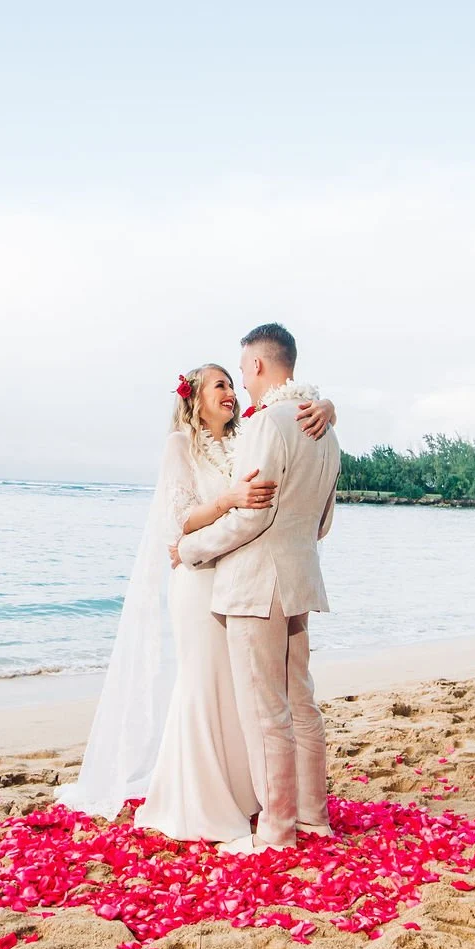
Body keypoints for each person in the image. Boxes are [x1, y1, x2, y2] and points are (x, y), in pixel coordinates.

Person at [56, 362, 335, 839]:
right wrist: (229, 500)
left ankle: (243, 793)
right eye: (219, 386)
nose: (230, 392)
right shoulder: (180, 446)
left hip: (238, 576)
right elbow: (179, 518)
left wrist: (329, 408)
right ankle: (200, 799)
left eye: (233, 382)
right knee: (204, 683)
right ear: (194, 398)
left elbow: (285, 456)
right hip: (199, 578)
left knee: (238, 691)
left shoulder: (248, 434)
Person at [173, 323, 341, 855]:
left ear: (260, 367)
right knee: (302, 703)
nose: (242, 385)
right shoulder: (324, 428)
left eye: (243, 371)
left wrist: (191, 551)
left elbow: (252, 516)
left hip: (256, 587)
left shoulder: (269, 423)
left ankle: (276, 830)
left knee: (266, 710)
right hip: (299, 579)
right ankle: (314, 818)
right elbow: (322, 522)